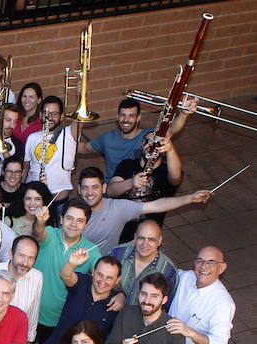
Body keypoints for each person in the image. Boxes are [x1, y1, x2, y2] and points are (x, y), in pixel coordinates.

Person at [77, 166, 210, 255]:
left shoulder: (117, 208)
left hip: (103, 270)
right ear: (78, 189)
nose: (90, 193)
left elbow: (156, 206)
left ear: (104, 188)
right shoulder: (69, 213)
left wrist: (190, 198)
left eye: (95, 187)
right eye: (85, 188)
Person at [31, 198, 100, 344]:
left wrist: (120, 295)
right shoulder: (50, 233)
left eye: (80, 220)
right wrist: (41, 222)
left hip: (59, 320)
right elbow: (39, 232)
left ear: (86, 225)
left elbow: (103, 276)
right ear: (61, 219)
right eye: (69, 218)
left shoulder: (91, 251)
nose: (74, 224)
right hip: (29, 309)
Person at [78, 97, 192, 180]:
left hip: (141, 187)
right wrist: (61, 142)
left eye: (131, 116)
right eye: (122, 115)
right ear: (117, 117)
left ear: (138, 118)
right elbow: (84, 148)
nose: (126, 120)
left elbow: (171, 131)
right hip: (114, 188)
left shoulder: (148, 137)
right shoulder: (108, 138)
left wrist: (183, 114)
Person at [23, 96, 78, 202]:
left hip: (57, 199)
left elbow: (80, 116)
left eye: (55, 114)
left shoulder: (69, 134)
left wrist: (81, 93)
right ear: (40, 115)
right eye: (46, 113)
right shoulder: (32, 137)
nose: (50, 117)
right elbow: (26, 168)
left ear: (61, 116)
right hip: (33, 199)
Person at [110, 219, 178, 304]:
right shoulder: (117, 254)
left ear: (160, 240)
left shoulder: (168, 271)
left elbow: (167, 304)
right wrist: (119, 293)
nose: (145, 244)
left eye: (151, 239)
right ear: (135, 238)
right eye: (141, 238)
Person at [12, 82, 43, 149]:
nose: (26, 100)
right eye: (24, 96)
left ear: (39, 100)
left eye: (31, 97)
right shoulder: (14, 116)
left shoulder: (42, 122)